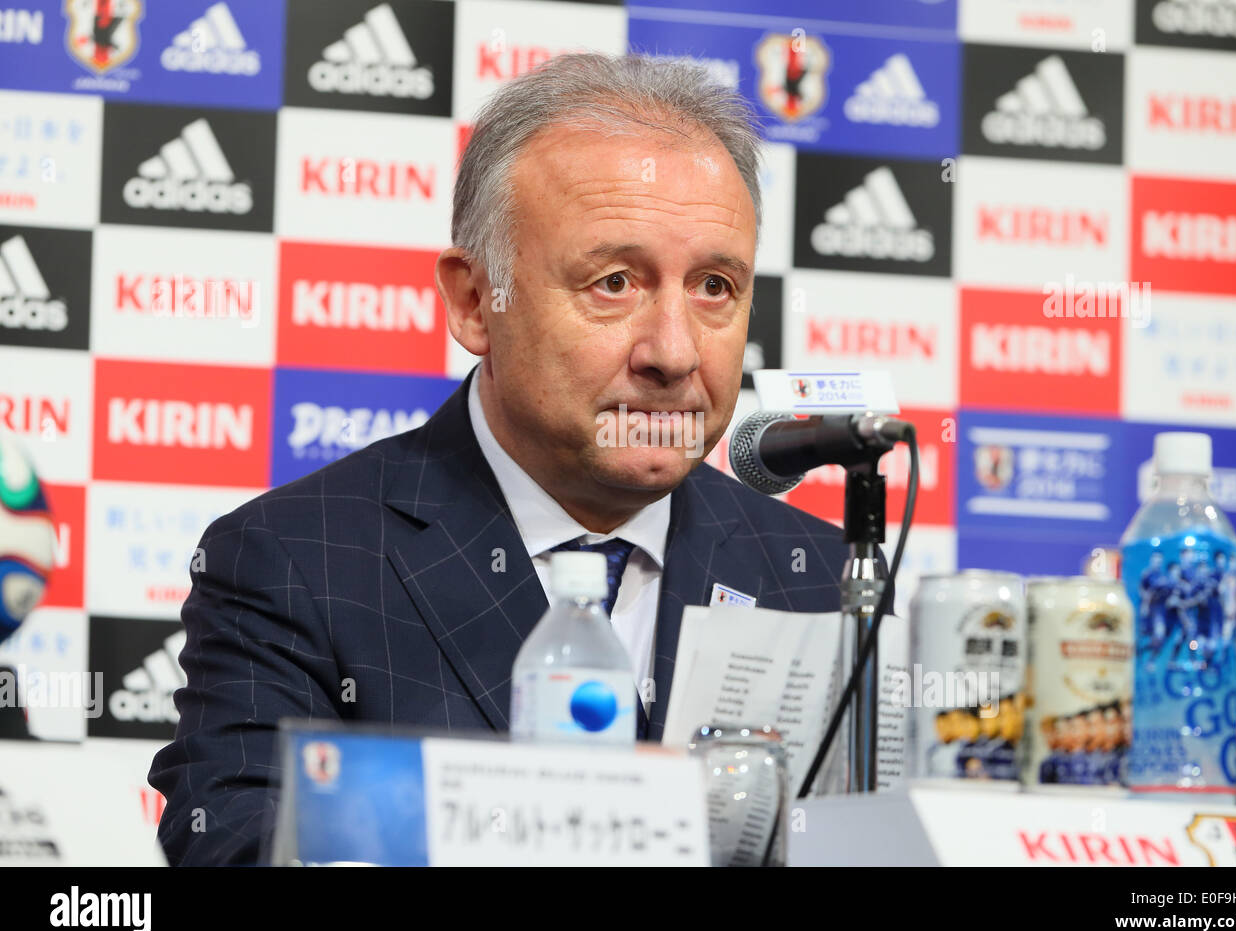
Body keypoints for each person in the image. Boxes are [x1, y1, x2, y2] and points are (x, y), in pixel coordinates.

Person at [148, 53, 852, 866]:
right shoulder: (295, 559)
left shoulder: (824, 583)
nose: (673, 350)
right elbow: (238, 846)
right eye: (615, 281)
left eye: (715, 286)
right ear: (475, 302)